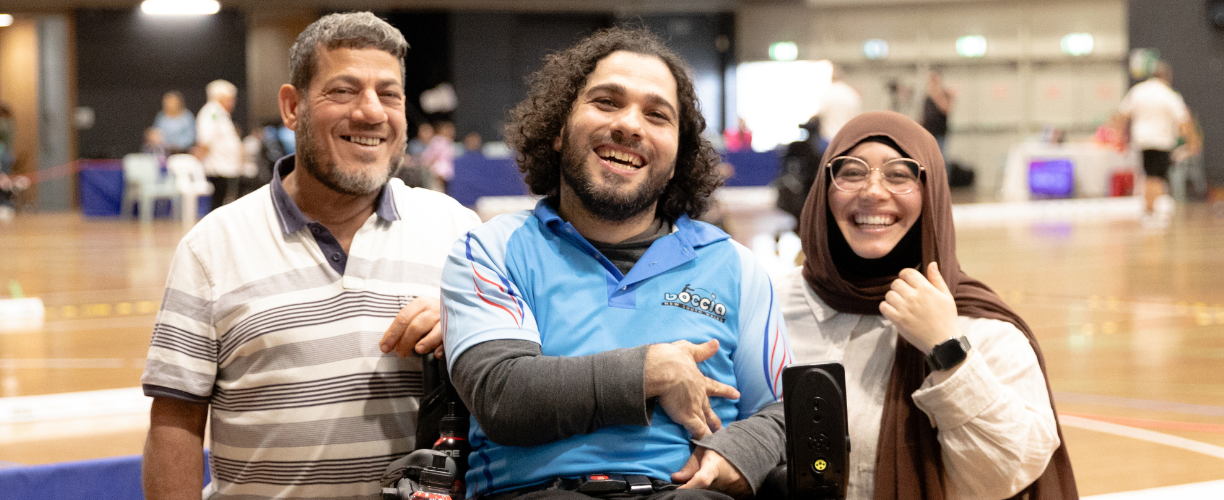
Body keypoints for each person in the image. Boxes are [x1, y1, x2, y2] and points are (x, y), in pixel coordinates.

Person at [437, 27, 791, 499]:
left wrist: (743, 449)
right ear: (559, 130)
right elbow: (502, 394)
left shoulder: (736, 267)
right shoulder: (490, 250)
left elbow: (788, 409)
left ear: (677, 156)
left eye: (657, 114)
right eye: (606, 102)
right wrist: (650, 371)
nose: (630, 125)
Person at [139, 12, 482, 500]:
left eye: (389, 94)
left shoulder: (458, 231)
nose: (371, 112)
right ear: (292, 106)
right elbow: (176, 421)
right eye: (343, 90)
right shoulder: (211, 246)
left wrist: (473, 332)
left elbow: (515, 378)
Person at [778, 111, 1077, 499]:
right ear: (824, 187)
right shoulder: (773, 306)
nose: (872, 190)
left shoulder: (980, 324)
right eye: (851, 172)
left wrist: (948, 350)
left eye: (898, 174)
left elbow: (1006, 474)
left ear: (930, 191)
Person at [1118, 61, 1192, 224]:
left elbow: (1123, 113)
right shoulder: (1168, 93)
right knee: (1157, 176)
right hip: (1162, 140)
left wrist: (1119, 136)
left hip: (1142, 140)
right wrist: (1189, 139)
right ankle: (1151, 211)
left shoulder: (1138, 91)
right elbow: (1183, 119)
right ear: (1167, 76)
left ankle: (1148, 210)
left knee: (1149, 174)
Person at [196, 79, 245, 210]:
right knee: (217, 203)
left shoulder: (221, 114)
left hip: (227, 167)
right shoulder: (211, 112)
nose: (233, 103)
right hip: (218, 168)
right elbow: (205, 139)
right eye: (230, 99)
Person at [817, 65, 861, 142]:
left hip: (828, 137)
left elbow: (820, 114)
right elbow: (856, 117)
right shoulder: (851, 94)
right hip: (846, 138)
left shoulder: (828, 94)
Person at [921, 70, 953, 156]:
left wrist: (935, 94)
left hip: (940, 133)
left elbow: (945, 109)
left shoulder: (944, 94)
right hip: (928, 132)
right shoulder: (927, 97)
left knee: (941, 157)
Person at [423, 120, 456, 193]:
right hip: (438, 167)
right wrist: (429, 164)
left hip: (445, 167)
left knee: (443, 188)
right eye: (447, 129)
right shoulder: (437, 140)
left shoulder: (448, 141)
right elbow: (433, 154)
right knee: (437, 188)